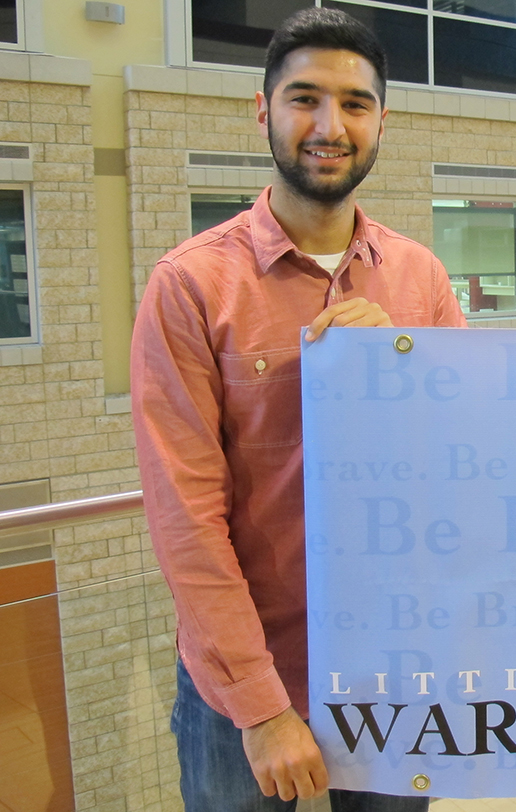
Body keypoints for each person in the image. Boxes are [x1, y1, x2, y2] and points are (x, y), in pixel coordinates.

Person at [130, 9, 466, 810]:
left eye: (354, 104)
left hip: (394, 671)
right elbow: (186, 519)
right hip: (247, 687)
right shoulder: (191, 286)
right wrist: (260, 707)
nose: (329, 126)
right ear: (263, 111)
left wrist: (399, 374)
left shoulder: (420, 279)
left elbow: (461, 463)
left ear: (382, 121)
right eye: (304, 99)